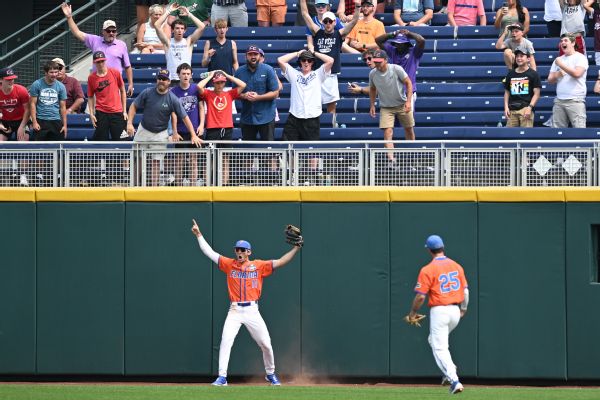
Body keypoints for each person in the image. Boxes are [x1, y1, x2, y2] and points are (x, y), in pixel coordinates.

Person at [190, 219, 301, 387]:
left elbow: (281, 261)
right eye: (237, 249)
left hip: (252, 310)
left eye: (242, 250)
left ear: (248, 252)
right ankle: (222, 377)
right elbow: (210, 252)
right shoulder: (229, 264)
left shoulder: (258, 266)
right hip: (234, 311)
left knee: (266, 344)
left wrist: (296, 248)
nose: (239, 252)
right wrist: (199, 235)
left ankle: (270, 374)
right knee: (226, 341)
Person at [406, 234, 469, 395]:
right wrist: (463, 308)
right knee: (432, 340)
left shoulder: (428, 269)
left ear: (429, 250)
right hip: (455, 311)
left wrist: (413, 312)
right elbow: (465, 291)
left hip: (440, 311)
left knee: (440, 348)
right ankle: (450, 369)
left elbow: (420, 296)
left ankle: (454, 380)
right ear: (443, 247)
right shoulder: (457, 266)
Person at [127, 68, 202, 186]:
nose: (162, 81)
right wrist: (129, 123)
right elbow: (133, 106)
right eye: (160, 78)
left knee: (156, 162)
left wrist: (193, 135)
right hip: (144, 129)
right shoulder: (147, 92)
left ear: (169, 82)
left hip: (161, 133)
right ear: (157, 80)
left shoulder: (173, 98)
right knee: (138, 160)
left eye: (165, 79)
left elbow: (184, 117)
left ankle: (154, 189)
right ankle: (133, 186)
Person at [302, 0, 361, 117]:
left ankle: (332, 129)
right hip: (317, 74)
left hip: (331, 74)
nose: (328, 23)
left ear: (335, 22)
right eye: (325, 21)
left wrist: (358, 6)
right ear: (323, 23)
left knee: (331, 107)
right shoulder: (317, 32)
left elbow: (354, 21)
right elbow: (305, 14)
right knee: (314, 106)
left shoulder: (340, 34)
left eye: (330, 21)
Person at [60, 2, 134, 97]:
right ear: (103, 32)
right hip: (97, 83)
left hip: (115, 84)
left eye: (113, 31)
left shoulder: (122, 45)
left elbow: (127, 66)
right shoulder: (95, 40)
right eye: (108, 31)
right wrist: (69, 17)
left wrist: (131, 83)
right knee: (94, 110)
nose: (111, 33)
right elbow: (77, 33)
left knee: (115, 111)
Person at [197, 70, 246, 185]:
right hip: (212, 128)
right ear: (213, 83)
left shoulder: (229, 94)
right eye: (217, 83)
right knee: (209, 157)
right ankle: (208, 183)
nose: (220, 85)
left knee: (225, 158)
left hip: (227, 128)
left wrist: (227, 75)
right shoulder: (208, 94)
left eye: (222, 82)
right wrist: (210, 76)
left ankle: (224, 183)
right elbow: (199, 86)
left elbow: (243, 85)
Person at [368, 49, 414, 163]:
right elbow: (372, 89)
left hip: (401, 103)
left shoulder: (396, 69)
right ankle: (391, 159)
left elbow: (408, 83)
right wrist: (372, 105)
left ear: (386, 60)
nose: (377, 64)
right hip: (386, 106)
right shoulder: (372, 73)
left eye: (379, 61)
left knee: (409, 129)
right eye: (375, 61)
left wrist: (408, 101)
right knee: (387, 131)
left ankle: (413, 153)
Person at [278, 50, 334, 143]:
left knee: (312, 153)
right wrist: (297, 53)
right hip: (294, 117)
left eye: (309, 60)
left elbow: (330, 60)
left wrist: (314, 53)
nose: (306, 62)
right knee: (288, 148)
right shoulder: (294, 74)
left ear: (312, 62)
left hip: (312, 117)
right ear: (300, 61)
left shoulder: (318, 74)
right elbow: (280, 60)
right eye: (303, 60)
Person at [234, 45, 280, 141]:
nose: (253, 56)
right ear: (246, 56)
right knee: (249, 152)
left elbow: (275, 93)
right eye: (250, 54)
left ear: (260, 56)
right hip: (247, 117)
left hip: (266, 116)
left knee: (269, 149)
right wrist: (244, 95)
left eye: (255, 54)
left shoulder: (268, 69)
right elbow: (234, 93)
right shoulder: (239, 72)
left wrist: (258, 97)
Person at [171, 63, 205, 186]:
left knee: (193, 159)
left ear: (191, 75)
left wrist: (201, 125)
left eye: (188, 74)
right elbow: (173, 113)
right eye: (183, 74)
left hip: (195, 130)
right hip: (180, 130)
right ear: (178, 75)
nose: (185, 76)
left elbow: (201, 108)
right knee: (178, 160)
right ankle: (179, 186)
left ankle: (193, 186)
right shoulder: (173, 91)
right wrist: (174, 131)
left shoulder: (196, 89)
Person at [155, 3, 207, 82]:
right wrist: (168, 11)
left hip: (187, 79)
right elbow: (157, 25)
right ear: (172, 30)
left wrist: (189, 14)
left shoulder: (188, 41)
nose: (179, 30)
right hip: (172, 79)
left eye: (182, 28)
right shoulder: (167, 42)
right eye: (177, 28)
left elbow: (202, 26)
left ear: (185, 30)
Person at [375, 29, 425, 110]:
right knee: (394, 119)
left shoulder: (414, 52)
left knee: (407, 120)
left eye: (402, 44)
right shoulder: (393, 51)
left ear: (407, 44)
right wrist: (393, 34)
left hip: (408, 91)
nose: (399, 46)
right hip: (394, 90)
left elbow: (421, 40)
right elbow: (378, 40)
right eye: (397, 43)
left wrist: (409, 34)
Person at [547, 33, 589, 128]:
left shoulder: (580, 58)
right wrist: (558, 74)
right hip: (559, 100)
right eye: (561, 41)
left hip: (576, 100)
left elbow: (577, 74)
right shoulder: (558, 60)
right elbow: (550, 80)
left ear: (573, 43)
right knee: (557, 133)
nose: (562, 43)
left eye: (565, 41)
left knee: (579, 131)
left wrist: (561, 65)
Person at [0, 67, 31, 186]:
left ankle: (23, 175)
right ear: (1, 80)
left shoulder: (21, 90)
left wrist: (22, 126)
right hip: (5, 122)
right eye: (8, 79)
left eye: (12, 78)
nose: (11, 81)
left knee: (24, 144)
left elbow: (28, 110)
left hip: (21, 120)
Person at [87, 51, 128, 141]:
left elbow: (122, 91)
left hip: (116, 111)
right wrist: (91, 113)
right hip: (101, 112)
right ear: (94, 63)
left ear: (105, 61)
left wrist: (124, 111)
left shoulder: (115, 72)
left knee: (122, 140)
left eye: (102, 61)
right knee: (100, 141)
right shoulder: (91, 78)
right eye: (98, 62)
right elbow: (90, 96)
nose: (101, 64)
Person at [29, 60, 67, 142]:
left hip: (56, 121)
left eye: (56, 72)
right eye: (51, 72)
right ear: (45, 72)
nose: (54, 75)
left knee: (57, 149)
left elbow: (63, 107)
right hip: (41, 120)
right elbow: (32, 104)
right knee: (40, 149)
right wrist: (34, 122)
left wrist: (65, 125)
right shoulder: (37, 84)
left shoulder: (61, 86)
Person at [503, 47, 541, 127]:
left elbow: (537, 94)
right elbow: (507, 92)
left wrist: (530, 108)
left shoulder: (533, 74)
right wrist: (506, 107)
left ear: (528, 59)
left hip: (525, 109)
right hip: (512, 110)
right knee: (509, 137)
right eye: (517, 56)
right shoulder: (510, 74)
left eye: (521, 56)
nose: (519, 58)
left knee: (526, 137)